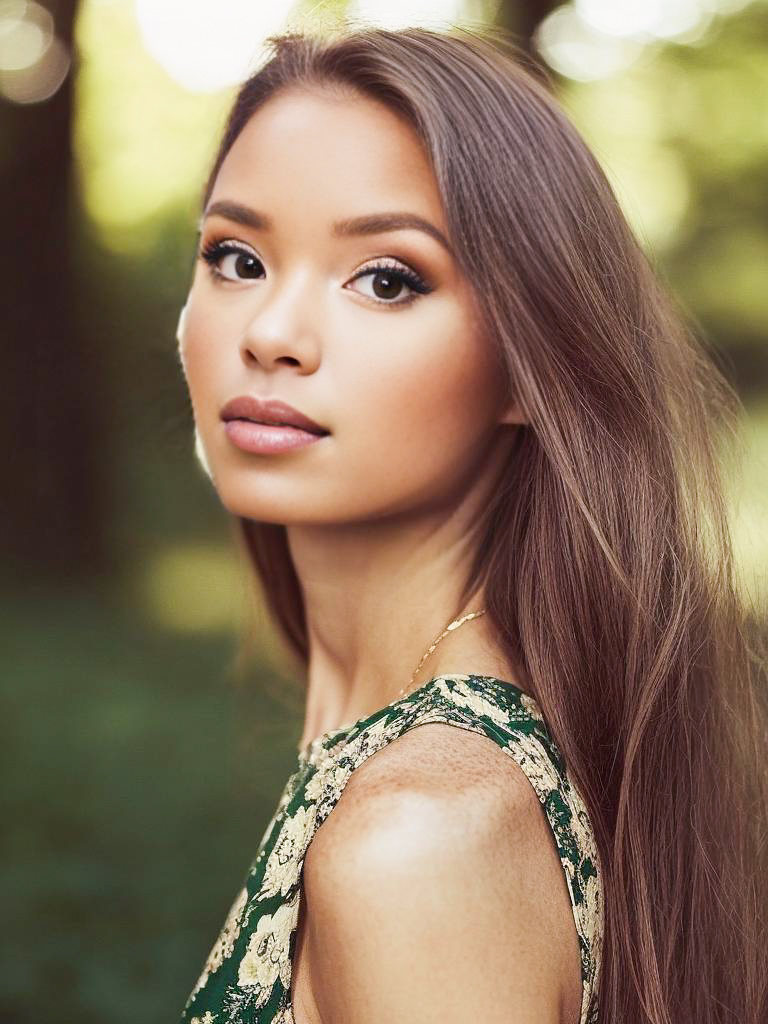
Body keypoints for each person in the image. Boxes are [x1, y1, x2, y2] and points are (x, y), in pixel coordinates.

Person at [174, 23, 767, 1024]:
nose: (271, 333)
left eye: (388, 278)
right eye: (236, 258)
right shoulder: (404, 763)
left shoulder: (419, 838)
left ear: (530, 366)